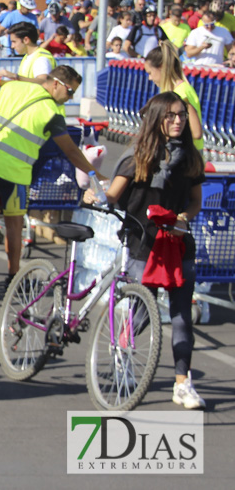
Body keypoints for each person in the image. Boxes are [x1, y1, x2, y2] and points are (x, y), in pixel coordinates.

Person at [99, 92, 206, 410]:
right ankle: (122, 353)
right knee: (140, 311)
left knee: (181, 316)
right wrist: (98, 196)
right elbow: (114, 195)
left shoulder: (189, 158)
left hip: (179, 244)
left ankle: (182, 383)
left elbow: (195, 201)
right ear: (157, 118)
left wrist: (183, 217)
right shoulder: (137, 157)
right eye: (171, 115)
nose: (177, 121)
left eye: (182, 116)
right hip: (142, 244)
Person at [0, 66, 103, 286]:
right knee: (14, 225)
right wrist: (94, 173)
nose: (70, 98)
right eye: (70, 92)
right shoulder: (52, 112)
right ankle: (12, 276)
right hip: (15, 175)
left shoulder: (11, 88)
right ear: (56, 84)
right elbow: (70, 151)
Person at [145, 43, 204, 152]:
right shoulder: (176, 90)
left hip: (187, 154)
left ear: (162, 67)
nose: (150, 78)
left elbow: (196, 132)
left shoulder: (181, 93)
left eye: (150, 72)